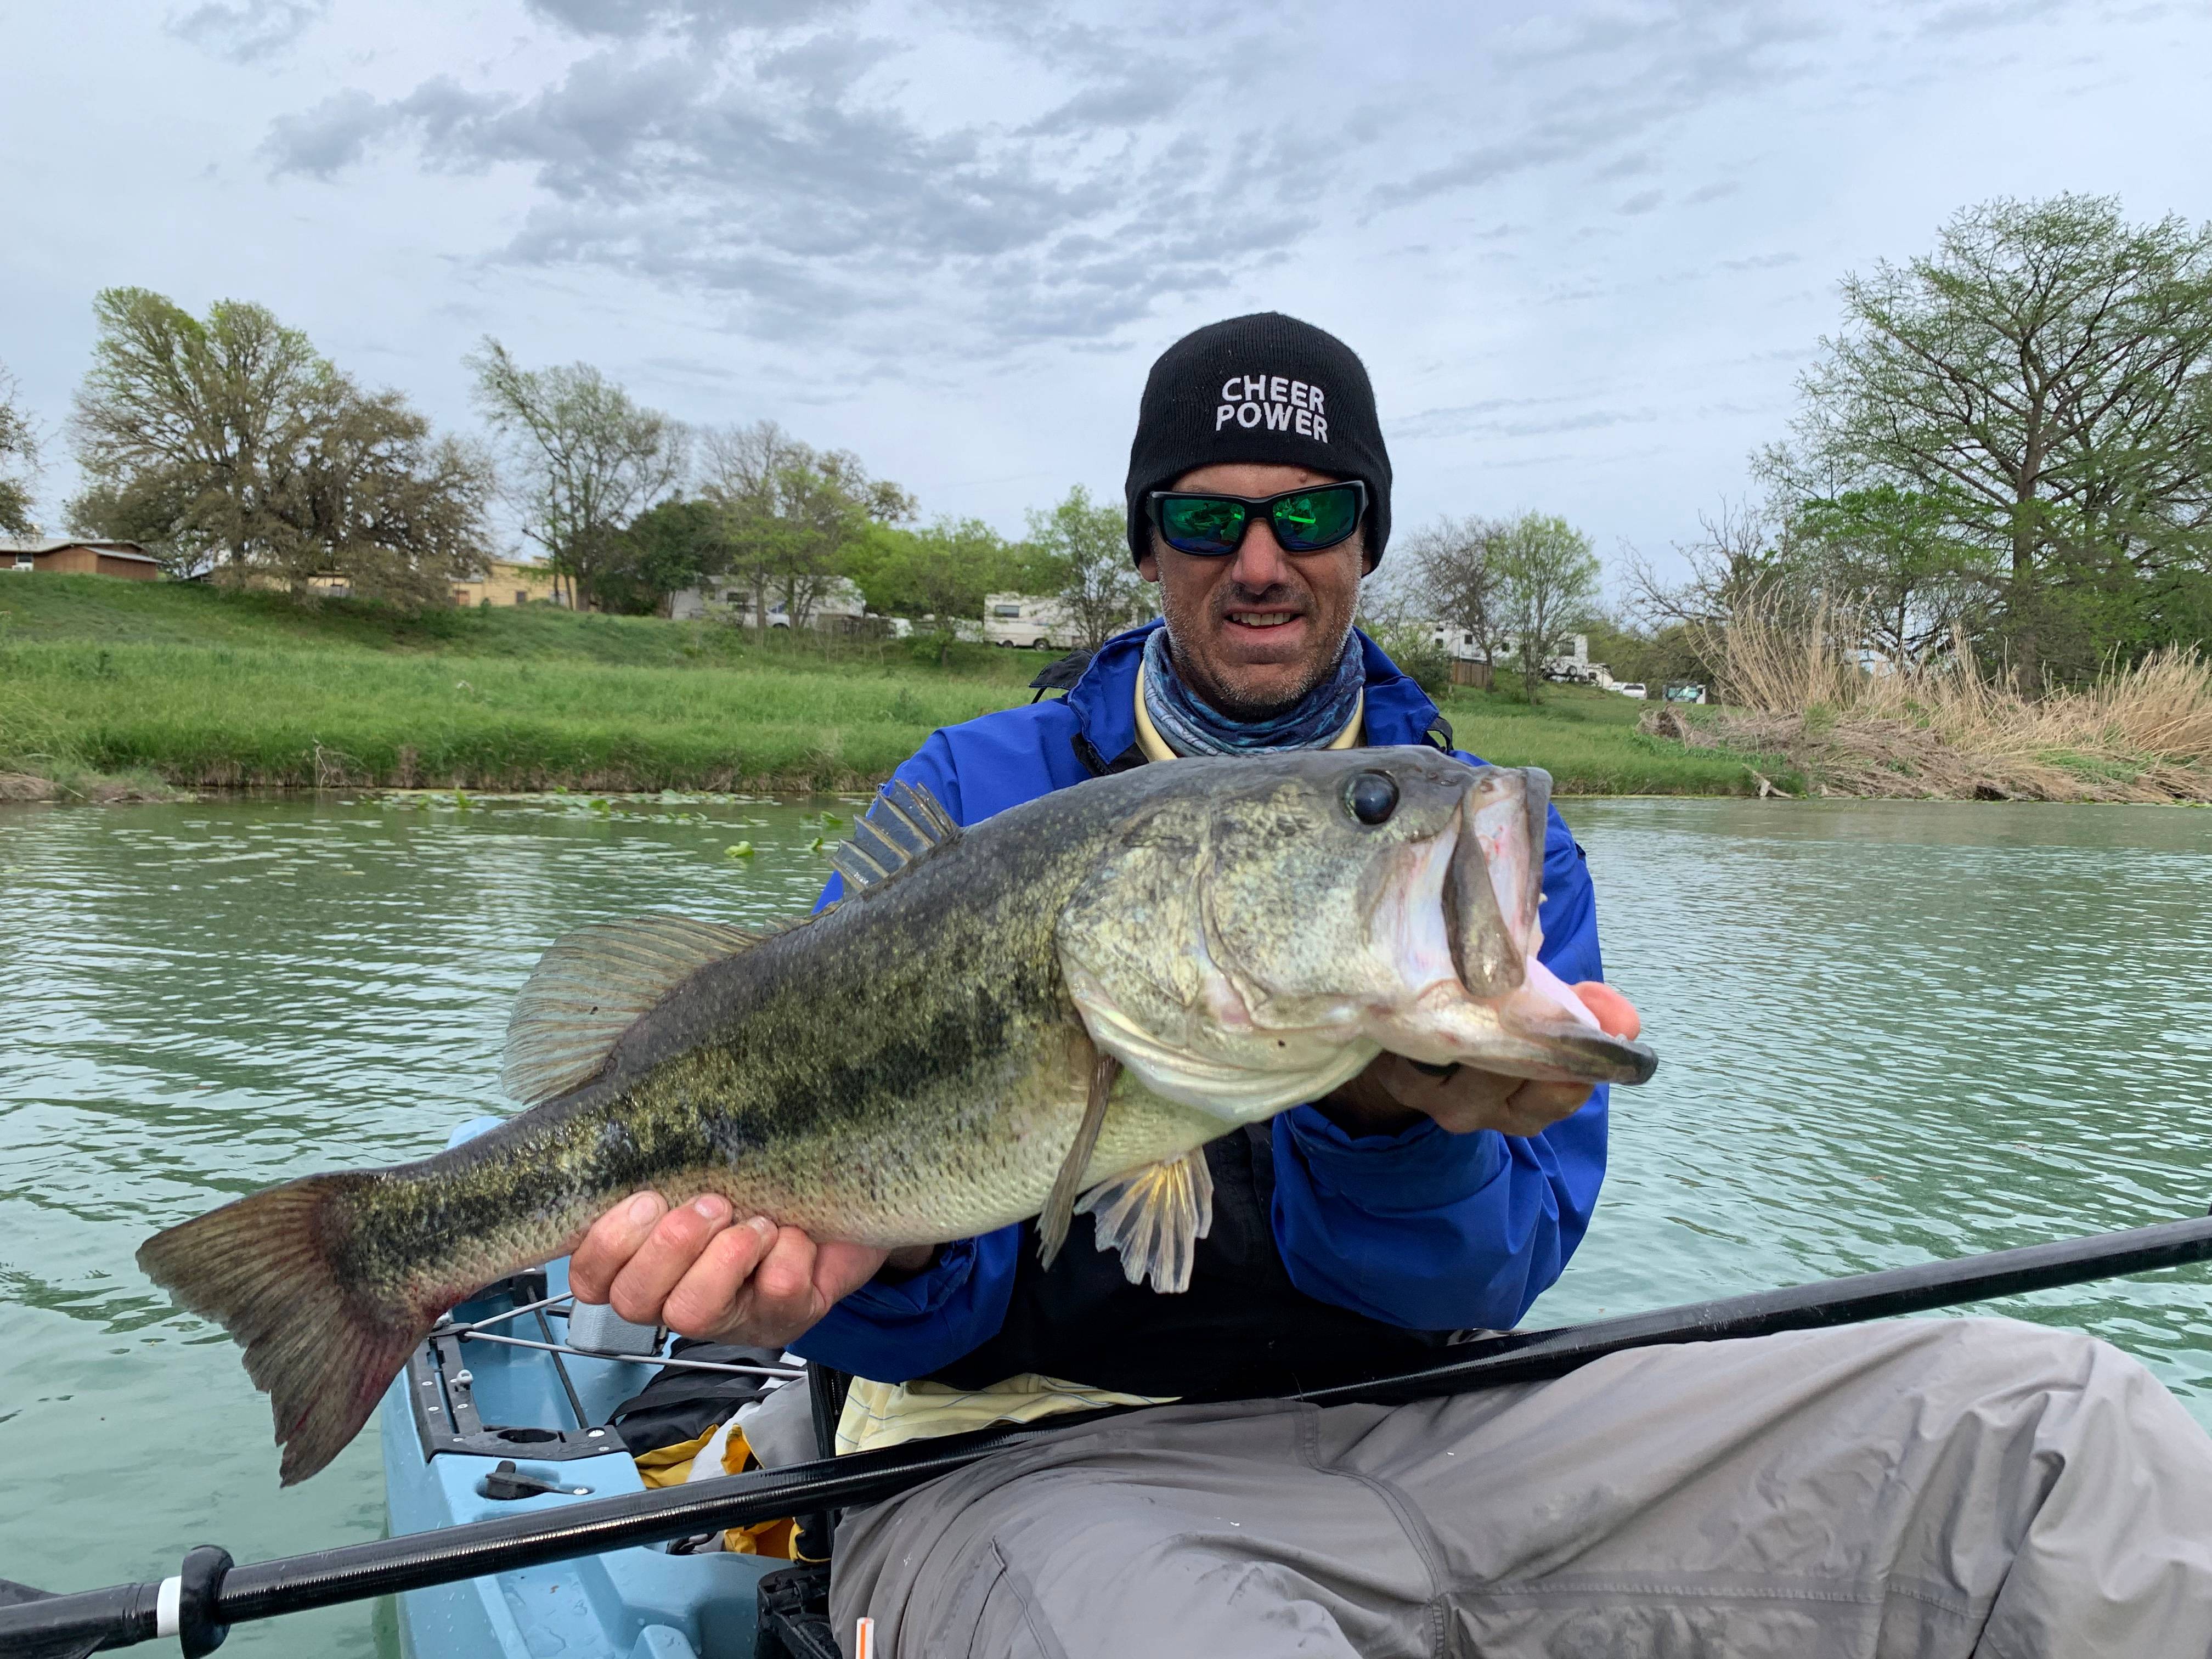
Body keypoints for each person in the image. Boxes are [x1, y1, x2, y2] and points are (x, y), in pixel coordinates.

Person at [571, 314, 2212, 1657]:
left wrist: (1389, 1117)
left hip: (1436, 1422)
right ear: (1148, 546)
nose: (1261, 558)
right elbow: (883, 1276)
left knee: (2064, 1437)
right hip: (1024, 1460)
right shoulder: (973, 794)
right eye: (1206, 518)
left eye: (1312, 514)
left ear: (1366, 537)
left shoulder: (1471, 839)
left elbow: (1490, 1278)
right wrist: (867, 1257)